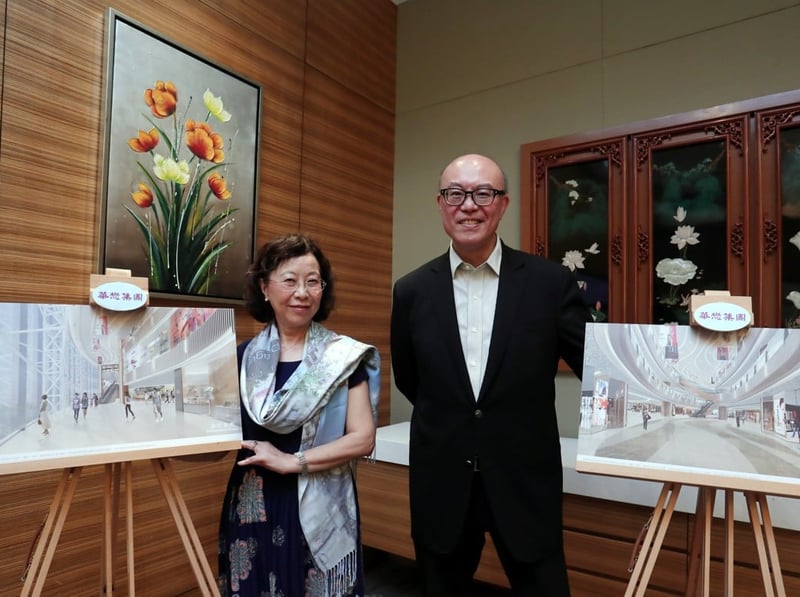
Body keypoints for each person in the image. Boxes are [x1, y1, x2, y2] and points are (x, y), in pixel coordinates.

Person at [391, 154, 589, 596]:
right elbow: (411, 378)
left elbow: (595, 365)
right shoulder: (411, 291)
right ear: (441, 204)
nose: (468, 205)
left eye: (483, 193)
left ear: (503, 204)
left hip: (524, 480)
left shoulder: (550, 283)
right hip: (442, 481)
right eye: (455, 194)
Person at [218, 234, 380, 597]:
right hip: (252, 503)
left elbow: (362, 438)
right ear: (265, 287)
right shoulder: (240, 359)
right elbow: (221, 438)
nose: (302, 293)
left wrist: (294, 461)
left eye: (313, 281)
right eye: (290, 280)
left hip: (318, 501)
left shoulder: (342, 358)